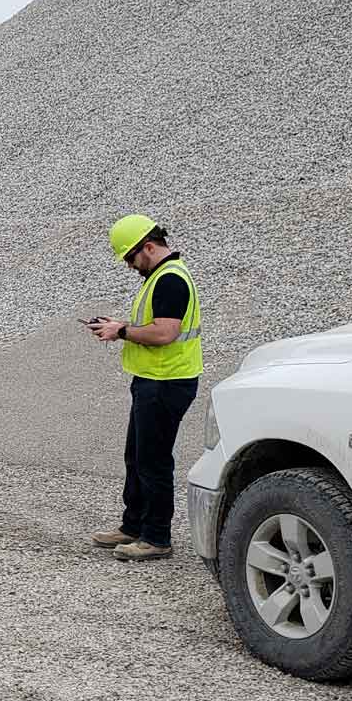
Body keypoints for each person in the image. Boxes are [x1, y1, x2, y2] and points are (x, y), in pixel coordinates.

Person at [86, 215, 203, 561]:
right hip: (153, 380)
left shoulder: (170, 280)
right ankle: (133, 525)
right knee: (137, 457)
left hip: (167, 383)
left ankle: (156, 537)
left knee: (153, 461)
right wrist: (120, 325)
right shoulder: (160, 278)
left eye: (130, 258)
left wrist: (121, 332)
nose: (129, 265)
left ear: (148, 247)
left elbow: (165, 332)